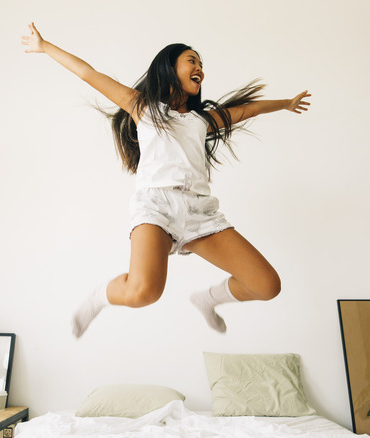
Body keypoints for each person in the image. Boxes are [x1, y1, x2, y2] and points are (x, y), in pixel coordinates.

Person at [22, 22, 311, 338]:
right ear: (169, 68)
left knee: (267, 285)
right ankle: (98, 297)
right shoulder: (143, 107)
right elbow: (90, 74)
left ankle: (208, 299)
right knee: (144, 292)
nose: (199, 68)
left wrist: (286, 103)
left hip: (200, 212)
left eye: (201, 64)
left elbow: (249, 109)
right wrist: (45, 46)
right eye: (192, 61)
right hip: (156, 207)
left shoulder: (202, 121)